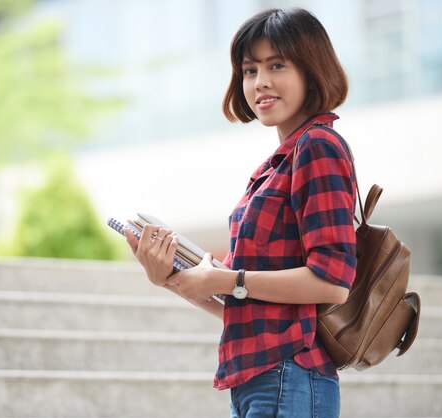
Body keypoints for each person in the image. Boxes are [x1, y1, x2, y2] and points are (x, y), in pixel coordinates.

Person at [124, 8, 356, 418]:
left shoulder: (318, 147)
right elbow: (245, 303)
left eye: (277, 65)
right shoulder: (274, 166)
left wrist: (227, 278)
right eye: (249, 70)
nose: (260, 82)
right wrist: (173, 279)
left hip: (292, 375)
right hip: (258, 378)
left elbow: (332, 281)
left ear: (311, 69)